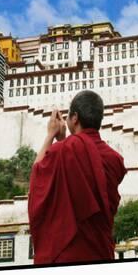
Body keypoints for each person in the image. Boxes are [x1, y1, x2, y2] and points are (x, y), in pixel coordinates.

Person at [28, 90, 127, 264]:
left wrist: (51, 135)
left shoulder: (62, 150)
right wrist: (63, 141)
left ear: (75, 118)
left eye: (68, 116)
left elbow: (37, 175)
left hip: (67, 256)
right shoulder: (114, 159)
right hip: (100, 253)